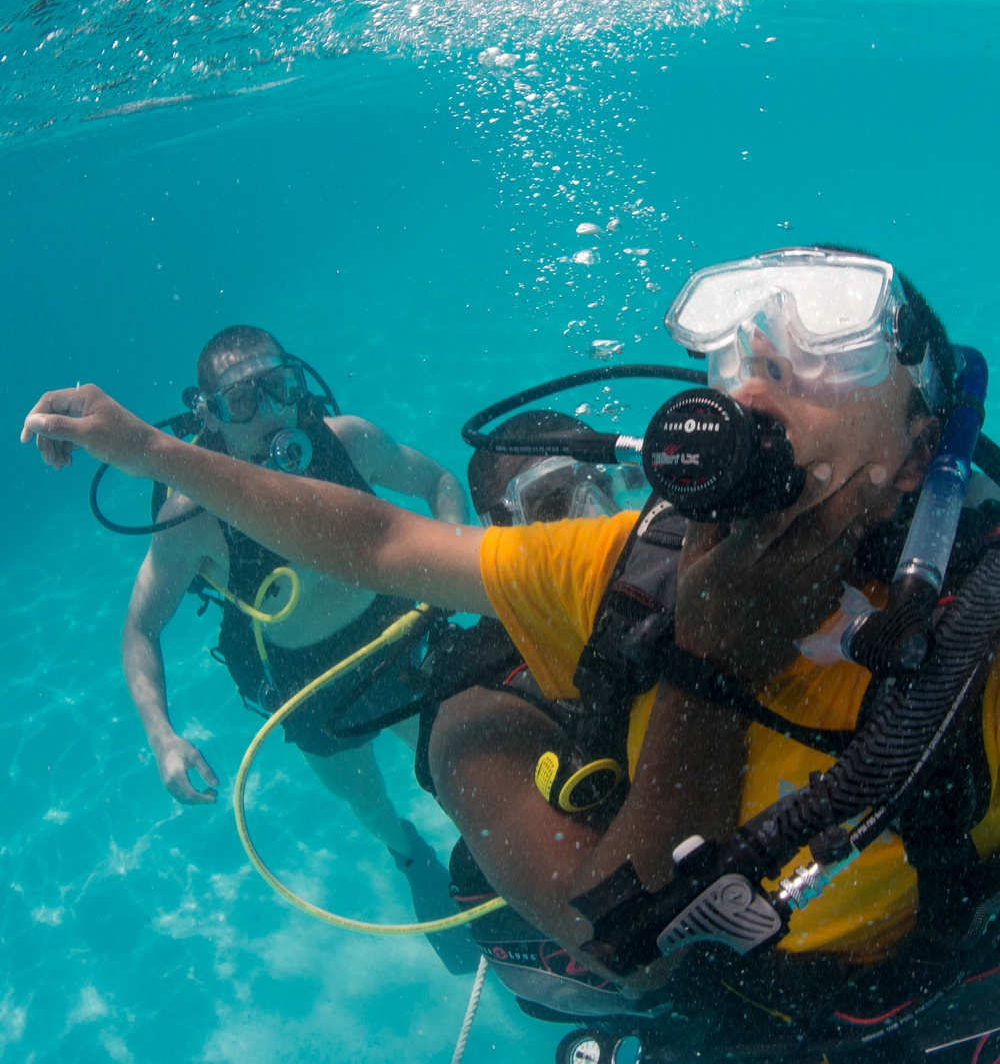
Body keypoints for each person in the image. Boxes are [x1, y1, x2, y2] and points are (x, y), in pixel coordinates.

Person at [23, 250, 1000, 1060]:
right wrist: (157, 454)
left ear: (921, 443)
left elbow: (390, 536)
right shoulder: (627, 566)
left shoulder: (979, 583)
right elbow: (382, 544)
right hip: (760, 1008)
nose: (753, 379)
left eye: (822, 362)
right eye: (735, 365)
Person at [107, 325, 477, 973]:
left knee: (467, 775)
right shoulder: (190, 514)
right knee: (366, 800)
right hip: (309, 679)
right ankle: (410, 854)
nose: (273, 411)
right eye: (244, 399)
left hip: (398, 629)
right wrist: (162, 736)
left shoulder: (347, 440)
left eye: (280, 385)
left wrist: (447, 570)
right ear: (210, 415)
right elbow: (139, 629)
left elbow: (440, 482)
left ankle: (497, 863)